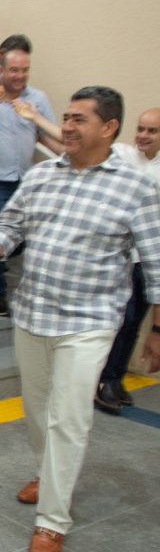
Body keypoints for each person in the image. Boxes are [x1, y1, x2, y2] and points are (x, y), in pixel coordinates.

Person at [0, 86, 160, 552]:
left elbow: (156, 264)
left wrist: (156, 330)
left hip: (89, 323)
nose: (66, 127)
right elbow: (12, 226)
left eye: (78, 119)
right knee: (36, 409)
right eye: (65, 117)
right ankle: (50, 476)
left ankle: (52, 520)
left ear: (109, 128)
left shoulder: (137, 187)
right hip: (33, 314)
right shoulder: (42, 174)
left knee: (69, 418)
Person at [0, 48, 62, 317]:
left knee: (23, 236)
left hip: (25, 178)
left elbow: (45, 133)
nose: (20, 75)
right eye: (14, 70)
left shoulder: (38, 99)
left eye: (24, 70)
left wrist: (68, 156)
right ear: (1, 71)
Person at [94, 108, 160, 411]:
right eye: (141, 129)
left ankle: (115, 378)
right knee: (123, 320)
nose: (143, 136)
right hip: (122, 256)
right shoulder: (122, 154)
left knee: (134, 324)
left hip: (149, 257)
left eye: (152, 131)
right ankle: (104, 380)